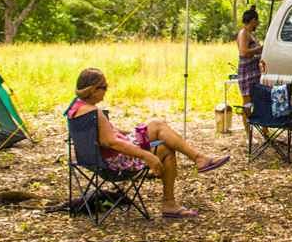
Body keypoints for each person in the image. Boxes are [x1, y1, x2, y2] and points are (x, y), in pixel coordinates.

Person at [70, 68, 229, 217]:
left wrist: (130, 132)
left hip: (94, 159)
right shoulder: (93, 112)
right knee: (164, 145)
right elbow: (112, 143)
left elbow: (106, 132)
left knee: (156, 126)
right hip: (116, 162)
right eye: (104, 87)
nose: (106, 90)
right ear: (92, 90)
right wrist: (147, 156)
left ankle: (198, 159)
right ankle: (173, 196)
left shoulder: (76, 107)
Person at [236, 7, 264, 147]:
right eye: (257, 23)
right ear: (252, 20)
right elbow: (244, 51)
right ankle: (248, 135)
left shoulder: (251, 34)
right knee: (247, 103)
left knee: (258, 100)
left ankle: (265, 131)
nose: (256, 26)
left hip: (255, 70)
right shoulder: (243, 33)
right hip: (246, 71)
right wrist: (260, 48)